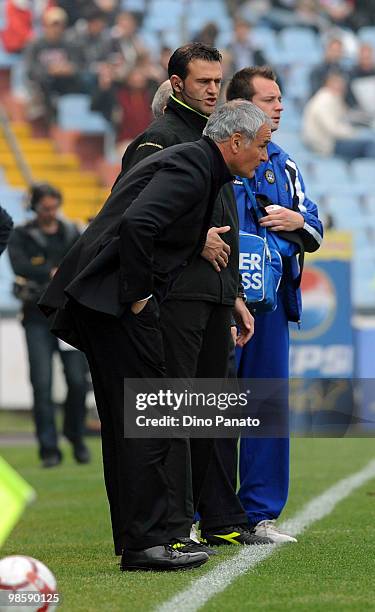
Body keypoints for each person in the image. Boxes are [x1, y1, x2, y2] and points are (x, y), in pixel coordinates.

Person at [39, 100, 273, 572]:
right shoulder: (191, 164)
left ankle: (142, 540)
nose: (265, 158)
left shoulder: (198, 165)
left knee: (139, 423)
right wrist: (141, 297)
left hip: (103, 304)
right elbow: (138, 224)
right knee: (150, 421)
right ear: (235, 143)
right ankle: (148, 543)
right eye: (263, 146)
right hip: (114, 306)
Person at [120, 43, 269, 549]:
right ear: (177, 84)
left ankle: (221, 517)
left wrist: (235, 296)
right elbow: (130, 216)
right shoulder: (158, 140)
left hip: (213, 296)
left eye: (217, 81)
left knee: (213, 413)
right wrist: (191, 238)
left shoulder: (222, 140)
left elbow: (224, 228)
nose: (211, 89)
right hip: (176, 294)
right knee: (178, 412)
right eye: (202, 81)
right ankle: (174, 526)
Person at [200, 66, 323, 544]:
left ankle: (259, 513)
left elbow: (313, 226)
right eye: (269, 99)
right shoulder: (212, 161)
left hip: (268, 307)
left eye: (280, 98)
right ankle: (207, 511)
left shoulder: (285, 162)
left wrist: (295, 220)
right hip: (217, 302)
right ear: (242, 107)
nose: (279, 107)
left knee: (265, 406)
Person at [8, 183, 90, 469]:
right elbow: (19, 266)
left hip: (67, 316)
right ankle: (48, 449)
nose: (50, 213)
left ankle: (76, 436)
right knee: (41, 385)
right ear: (35, 207)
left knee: (78, 382)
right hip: (36, 318)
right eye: (45, 208)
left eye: (54, 207)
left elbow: (85, 261)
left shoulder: (71, 232)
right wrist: (51, 272)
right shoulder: (21, 234)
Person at [302, 71, 375, 160]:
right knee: (370, 145)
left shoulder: (332, 98)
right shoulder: (324, 100)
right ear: (329, 83)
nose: (342, 87)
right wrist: (353, 133)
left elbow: (345, 116)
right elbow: (333, 129)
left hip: (331, 142)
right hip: (326, 146)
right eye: (338, 83)